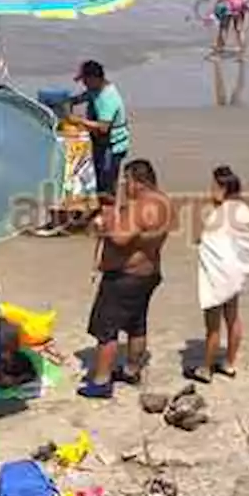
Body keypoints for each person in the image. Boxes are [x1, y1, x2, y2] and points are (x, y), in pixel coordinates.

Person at [79, 158, 173, 399]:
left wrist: (103, 224)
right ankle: (132, 370)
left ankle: (101, 381)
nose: (124, 186)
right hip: (148, 273)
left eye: (126, 181)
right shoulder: (164, 202)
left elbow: (121, 238)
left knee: (106, 329)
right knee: (136, 324)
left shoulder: (141, 206)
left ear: (136, 181)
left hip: (125, 277)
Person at [189, 166, 249, 383]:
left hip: (218, 275)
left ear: (223, 188)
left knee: (212, 325)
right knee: (233, 318)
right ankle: (229, 364)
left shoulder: (219, 214)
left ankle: (206, 369)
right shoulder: (244, 210)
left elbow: (206, 241)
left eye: (213, 187)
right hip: (234, 273)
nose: (210, 191)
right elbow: (243, 243)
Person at [73, 61, 131, 210]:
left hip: (112, 146)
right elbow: (85, 96)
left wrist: (79, 121)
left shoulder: (107, 98)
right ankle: (102, 212)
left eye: (85, 80)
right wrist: (70, 101)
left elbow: (103, 127)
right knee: (98, 180)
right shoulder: (96, 89)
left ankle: (111, 215)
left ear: (94, 78)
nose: (84, 84)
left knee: (106, 183)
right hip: (101, 143)